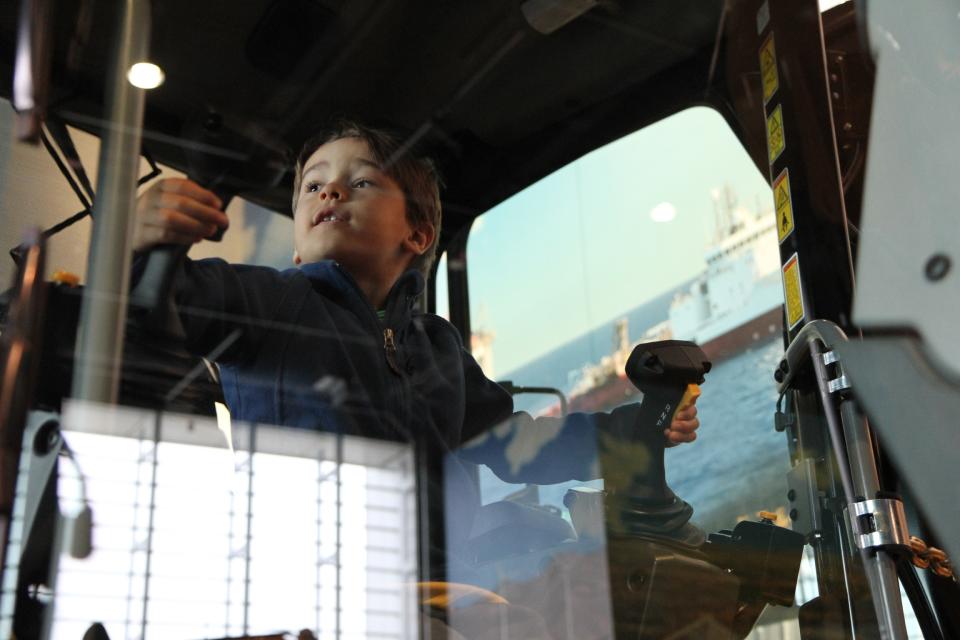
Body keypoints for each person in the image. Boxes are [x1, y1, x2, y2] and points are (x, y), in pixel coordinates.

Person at [132, 119, 700, 515]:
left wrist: (637, 431)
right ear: (298, 245)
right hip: (309, 592)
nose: (329, 189)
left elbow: (517, 445)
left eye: (360, 181)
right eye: (312, 184)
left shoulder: (438, 346)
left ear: (419, 234)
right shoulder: (268, 302)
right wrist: (138, 245)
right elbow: (154, 310)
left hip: (442, 589)